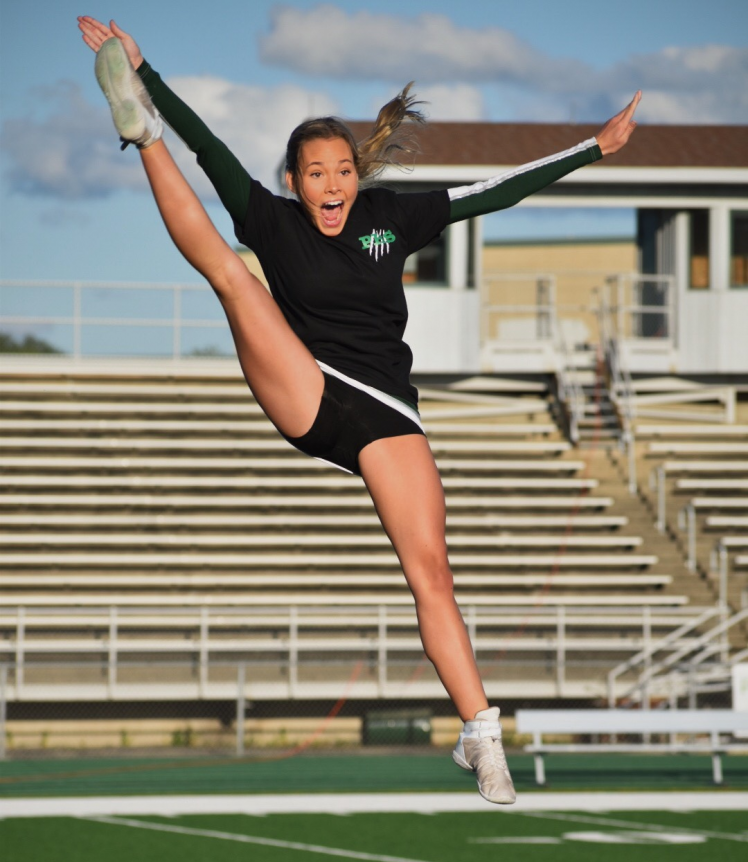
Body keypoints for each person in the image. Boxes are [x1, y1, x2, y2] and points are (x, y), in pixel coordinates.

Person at [78, 15, 641, 804]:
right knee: (235, 279)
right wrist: (149, 79)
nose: (332, 186)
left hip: (385, 413)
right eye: (315, 174)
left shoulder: (389, 219)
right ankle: (140, 135)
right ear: (295, 180)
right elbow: (214, 150)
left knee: (432, 573)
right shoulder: (269, 219)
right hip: (305, 384)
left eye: (342, 171)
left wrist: (593, 148)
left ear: (355, 175)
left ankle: (479, 729)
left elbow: (495, 191)